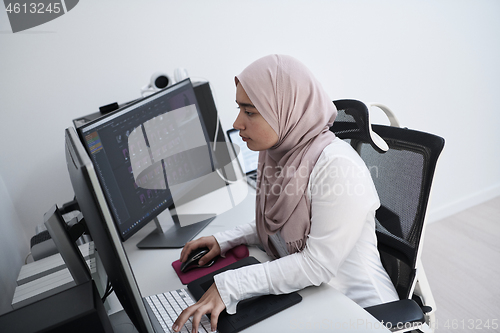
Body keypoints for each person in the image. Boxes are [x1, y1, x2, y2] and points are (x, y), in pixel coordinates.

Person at [172, 54, 398, 333]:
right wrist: (226, 239)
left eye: (250, 112)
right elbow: (278, 230)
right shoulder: (279, 155)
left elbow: (317, 265)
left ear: (286, 110)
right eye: (239, 109)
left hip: (360, 313)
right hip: (310, 301)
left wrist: (230, 285)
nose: (237, 122)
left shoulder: (338, 166)